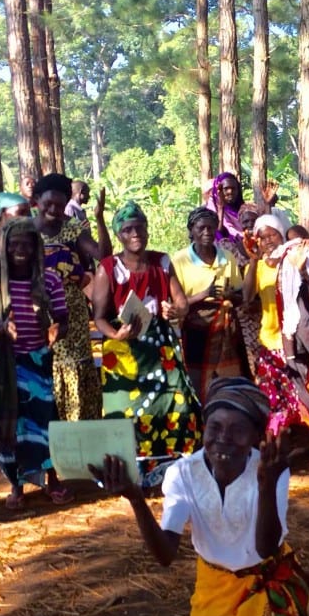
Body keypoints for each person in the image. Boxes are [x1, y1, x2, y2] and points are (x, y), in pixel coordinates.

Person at [91, 377, 309, 616]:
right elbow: (166, 555)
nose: (223, 439)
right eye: (214, 427)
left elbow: (266, 546)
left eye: (237, 430)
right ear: (203, 430)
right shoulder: (184, 473)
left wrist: (267, 481)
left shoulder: (271, 468)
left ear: (256, 439)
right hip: (213, 591)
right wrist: (137, 499)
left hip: (264, 588)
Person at [91, 202, 202, 488]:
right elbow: (100, 317)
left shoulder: (162, 262)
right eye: (127, 229)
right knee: (126, 412)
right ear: (119, 235)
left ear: (147, 230)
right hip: (124, 349)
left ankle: (174, 470)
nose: (135, 233)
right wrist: (115, 336)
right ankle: (130, 476)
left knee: (177, 404)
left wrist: (177, 311)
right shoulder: (108, 269)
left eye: (139, 227)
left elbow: (179, 301)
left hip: (160, 345)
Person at [0, 217, 72, 510]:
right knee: (6, 427)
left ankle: (50, 479)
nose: (20, 250)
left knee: (43, 423)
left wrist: (57, 329)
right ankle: (15, 484)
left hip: (36, 360)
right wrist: (1, 328)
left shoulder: (49, 279)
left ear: (35, 248)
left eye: (26, 245)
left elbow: (63, 319)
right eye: (14, 244)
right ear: (3, 247)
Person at [243, 214, 309, 482]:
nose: (266, 241)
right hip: (270, 346)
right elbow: (246, 296)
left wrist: (299, 267)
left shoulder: (297, 257)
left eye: (272, 235)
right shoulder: (261, 265)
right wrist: (252, 260)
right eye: (261, 237)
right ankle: (272, 461)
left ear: (283, 234)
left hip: (302, 345)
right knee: (276, 405)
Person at [34, 172, 110, 421]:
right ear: (37, 201)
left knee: (75, 365)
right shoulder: (25, 230)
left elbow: (102, 255)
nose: (54, 209)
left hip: (71, 309)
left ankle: (79, 431)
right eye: (48, 204)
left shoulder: (73, 228)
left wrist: (99, 219)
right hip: (36, 310)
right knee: (43, 366)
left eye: (60, 203)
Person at [172, 206, 245, 402]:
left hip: (225, 328)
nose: (206, 233)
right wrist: (205, 294)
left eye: (211, 228)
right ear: (191, 230)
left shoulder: (227, 258)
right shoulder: (179, 260)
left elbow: (240, 296)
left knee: (227, 378)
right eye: (201, 228)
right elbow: (175, 304)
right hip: (196, 327)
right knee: (198, 380)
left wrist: (230, 295)